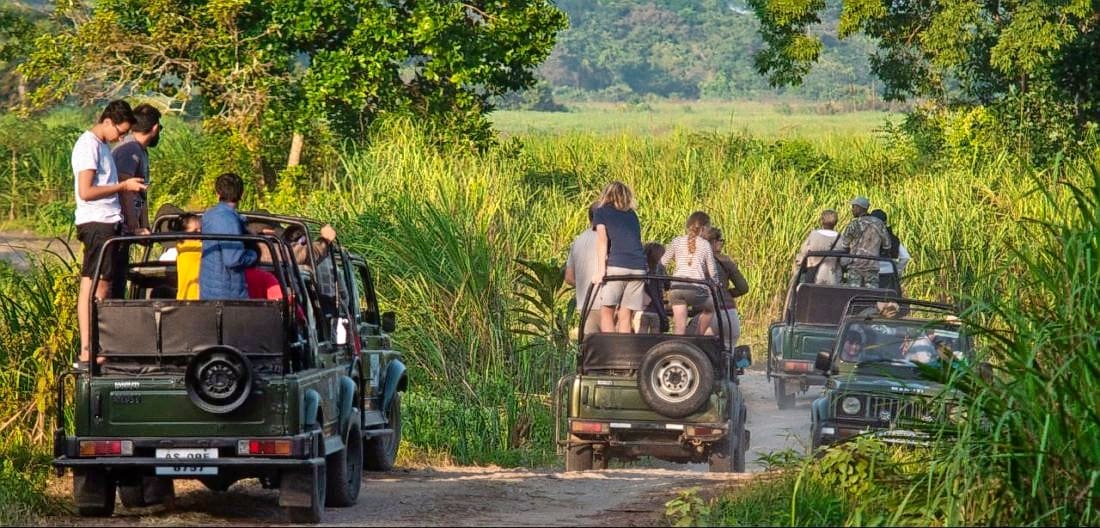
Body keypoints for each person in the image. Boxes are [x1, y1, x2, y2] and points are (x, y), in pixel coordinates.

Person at [72, 100, 143, 365]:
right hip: (96, 224)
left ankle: (99, 345)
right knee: (94, 284)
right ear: (107, 122)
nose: (121, 138)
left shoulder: (102, 146)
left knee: (105, 282)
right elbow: (86, 191)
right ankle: (90, 348)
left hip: (109, 223)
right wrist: (123, 186)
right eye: (120, 132)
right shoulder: (88, 146)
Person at [591, 181, 647, 333]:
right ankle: (625, 352)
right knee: (625, 314)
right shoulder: (632, 215)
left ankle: (610, 351)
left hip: (618, 265)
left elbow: (602, 240)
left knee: (607, 311)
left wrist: (601, 271)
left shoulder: (601, 212)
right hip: (639, 267)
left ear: (606, 195)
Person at [199, 173, 257, 299]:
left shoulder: (209, 215)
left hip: (208, 292)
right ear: (241, 195)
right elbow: (233, 259)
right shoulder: (229, 220)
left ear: (218, 193)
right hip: (228, 296)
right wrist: (253, 255)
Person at [660, 211, 719, 335]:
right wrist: (716, 284)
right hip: (695, 288)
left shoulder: (676, 241)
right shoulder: (705, 245)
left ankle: (677, 349)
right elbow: (712, 271)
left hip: (677, 288)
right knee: (710, 308)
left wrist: (665, 280)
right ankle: (698, 336)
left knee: (679, 325)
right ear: (703, 228)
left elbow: (661, 263)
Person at [113, 103, 162, 236]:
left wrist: (145, 224)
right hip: (120, 225)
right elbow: (126, 190)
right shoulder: (131, 149)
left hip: (128, 222)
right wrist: (134, 227)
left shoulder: (141, 150)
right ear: (155, 128)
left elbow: (140, 194)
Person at [703, 227, 749, 349]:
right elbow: (743, 288)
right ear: (713, 242)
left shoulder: (698, 261)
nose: (722, 243)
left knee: (701, 351)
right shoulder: (726, 260)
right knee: (729, 352)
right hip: (729, 313)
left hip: (708, 314)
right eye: (721, 240)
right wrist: (727, 293)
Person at [564, 203, 601, 336]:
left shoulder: (578, 241)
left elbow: (568, 277)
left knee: (590, 349)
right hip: (608, 302)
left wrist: (585, 286)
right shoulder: (609, 238)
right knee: (613, 349)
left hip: (585, 303)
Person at [836, 197, 891, 287]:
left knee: (853, 294)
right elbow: (887, 246)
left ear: (859, 208)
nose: (852, 210)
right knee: (872, 296)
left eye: (853, 207)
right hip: (872, 267)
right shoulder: (879, 223)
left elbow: (844, 246)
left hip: (855, 267)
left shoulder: (854, 224)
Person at [792, 209, 841, 285]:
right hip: (832, 279)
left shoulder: (814, 235)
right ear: (836, 222)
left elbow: (803, 251)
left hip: (813, 277)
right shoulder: (840, 238)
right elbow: (844, 261)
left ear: (822, 221)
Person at [868, 209, 910, 291]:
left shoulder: (866, 236)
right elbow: (905, 257)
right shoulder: (892, 238)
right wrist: (897, 271)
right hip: (888, 273)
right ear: (885, 223)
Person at [634, 242, 668, 334]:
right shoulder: (661, 269)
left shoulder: (640, 267)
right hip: (656, 310)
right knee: (655, 339)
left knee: (640, 337)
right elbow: (667, 285)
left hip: (640, 308)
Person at [174, 214, 203, 300]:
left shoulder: (182, 247)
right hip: (192, 300)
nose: (199, 235)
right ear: (183, 235)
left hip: (185, 298)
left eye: (201, 231)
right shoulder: (186, 247)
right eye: (194, 232)